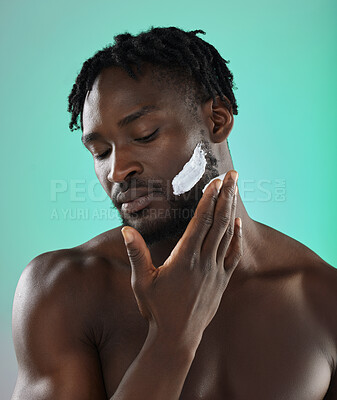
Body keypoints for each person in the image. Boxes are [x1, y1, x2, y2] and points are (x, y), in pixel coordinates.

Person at [11, 27, 337, 399]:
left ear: (217, 119)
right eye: (100, 152)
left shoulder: (324, 301)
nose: (117, 172)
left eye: (145, 134)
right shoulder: (64, 290)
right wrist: (171, 338)